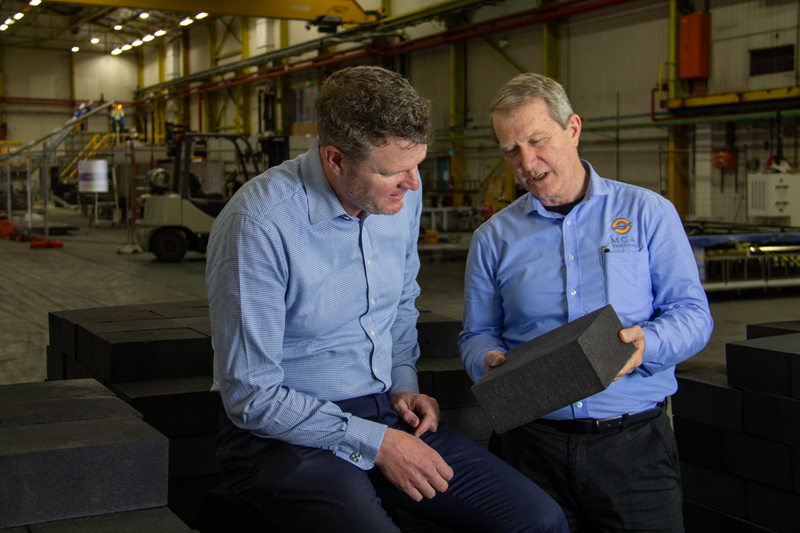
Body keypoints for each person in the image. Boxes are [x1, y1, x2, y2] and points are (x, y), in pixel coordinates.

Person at [206, 66, 567, 533]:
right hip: (280, 436)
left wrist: (402, 383)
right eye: (393, 171)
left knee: (538, 520)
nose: (413, 184)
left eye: (416, 164)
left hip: (381, 410)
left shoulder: (399, 199)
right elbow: (250, 395)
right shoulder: (258, 225)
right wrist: (377, 444)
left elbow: (399, 305)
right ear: (335, 159)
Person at [459, 73, 713, 533]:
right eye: (510, 150)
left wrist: (646, 345)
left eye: (538, 140)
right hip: (529, 450)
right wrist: (486, 361)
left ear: (572, 128)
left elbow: (693, 315)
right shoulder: (492, 238)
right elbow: (476, 333)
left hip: (634, 449)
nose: (527, 162)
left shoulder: (647, 214)